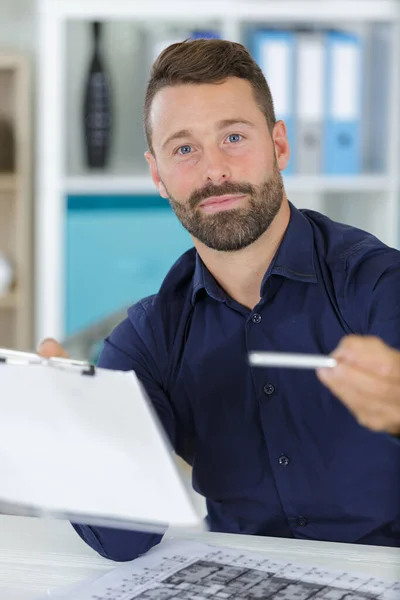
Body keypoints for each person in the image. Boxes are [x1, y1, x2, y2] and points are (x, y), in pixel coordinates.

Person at [39, 39, 400, 560]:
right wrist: (76, 428)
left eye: (233, 136)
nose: (214, 170)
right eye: (184, 148)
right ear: (158, 175)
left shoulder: (377, 286)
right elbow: (122, 541)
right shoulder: (149, 338)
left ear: (279, 145)